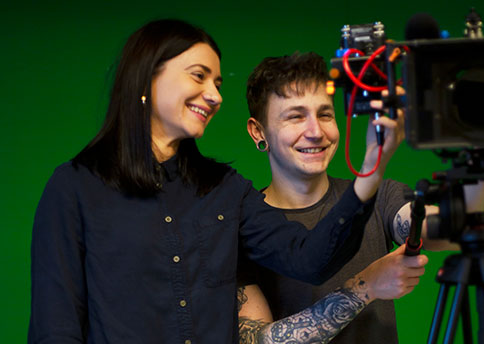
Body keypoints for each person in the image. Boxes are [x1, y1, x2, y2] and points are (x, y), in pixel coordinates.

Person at [28, 21, 403, 344]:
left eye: (218, 82)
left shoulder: (225, 189)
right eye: (198, 75)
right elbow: (55, 328)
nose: (215, 95)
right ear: (147, 76)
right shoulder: (74, 187)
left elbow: (309, 259)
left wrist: (371, 167)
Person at [237, 52, 484, 343]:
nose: (315, 131)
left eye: (325, 114)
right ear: (257, 131)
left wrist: (483, 164)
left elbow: (454, 230)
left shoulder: (379, 198)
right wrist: (366, 287)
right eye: (295, 117)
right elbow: (259, 342)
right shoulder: (243, 227)